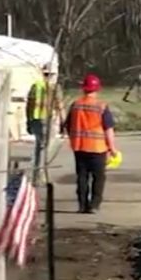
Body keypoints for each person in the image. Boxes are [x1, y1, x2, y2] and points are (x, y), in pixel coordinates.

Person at [63, 73, 118, 214]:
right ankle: (94, 204)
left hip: (79, 146)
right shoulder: (101, 106)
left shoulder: (75, 105)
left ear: (83, 89)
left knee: (82, 177)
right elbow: (108, 129)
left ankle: (82, 205)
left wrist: (73, 139)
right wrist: (112, 148)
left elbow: (68, 126)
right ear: (97, 89)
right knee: (98, 177)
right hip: (98, 148)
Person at [25, 63, 62, 171]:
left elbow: (29, 105)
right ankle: (41, 169)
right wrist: (63, 121)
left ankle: (36, 168)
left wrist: (28, 121)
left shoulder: (35, 86)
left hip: (35, 118)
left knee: (38, 144)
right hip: (47, 119)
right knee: (46, 145)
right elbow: (59, 105)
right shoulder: (54, 87)